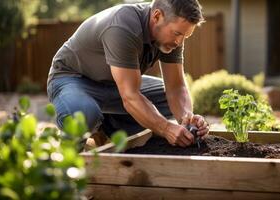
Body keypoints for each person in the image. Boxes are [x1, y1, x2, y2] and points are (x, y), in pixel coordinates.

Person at [47, 0, 209, 148]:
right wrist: (166, 128)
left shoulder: (170, 36)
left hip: (114, 84)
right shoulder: (123, 27)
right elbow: (130, 96)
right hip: (72, 79)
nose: (179, 42)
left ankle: (106, 130)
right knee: (84, 113)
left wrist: (188, 121)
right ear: (157, 16)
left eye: (185, 36)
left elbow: (175, 87)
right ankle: (66, 159)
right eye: (177, 34)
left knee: (164, 100)